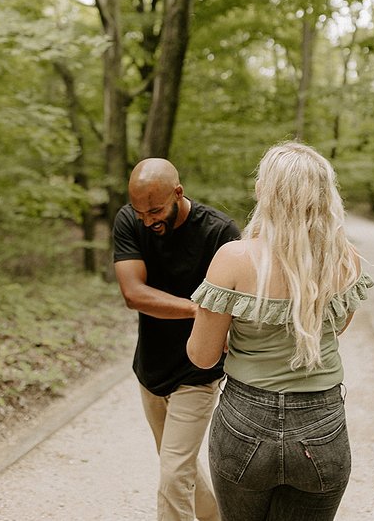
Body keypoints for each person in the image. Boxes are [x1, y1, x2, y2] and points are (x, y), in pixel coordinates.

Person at [186, 142, 374, 521]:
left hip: (245, 418)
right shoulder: (345, 258)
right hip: (322, 423)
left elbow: (202, 356)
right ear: (324, 195)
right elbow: (335, 331)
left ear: (264, 192)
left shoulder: (233, 258)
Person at [113, 158, 240, 521]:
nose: (147, 220)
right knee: (177, 465)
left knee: (172, 474)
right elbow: (133, 293)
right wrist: (197, 310)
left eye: (155, 210)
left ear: (178, 193)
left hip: (198, 370)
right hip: (151, 369)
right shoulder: (129, 220)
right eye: (140, 212)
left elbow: (237, 304)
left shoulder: (219, 232)